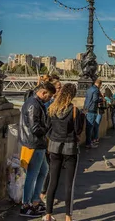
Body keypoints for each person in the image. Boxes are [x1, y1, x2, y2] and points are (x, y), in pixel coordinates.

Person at [43, 83, 84, 221]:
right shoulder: (74, 111)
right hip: (70, 148)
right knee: (69, 184)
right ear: (72, 95)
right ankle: (68, 216)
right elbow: (78, 129)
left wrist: (54, 138)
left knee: (53, 181)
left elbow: (47, 127)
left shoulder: (52, 108)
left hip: (54, 147)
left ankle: (48, 214)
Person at [19, 81, 56, 218]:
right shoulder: (34, 105)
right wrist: (48, 128)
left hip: (37, 143)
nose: (50, 99)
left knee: (43, 171)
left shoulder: (35, 103)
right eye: (50, 96)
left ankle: (35, 201)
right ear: (43, 92)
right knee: (32, 174)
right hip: (33, 143)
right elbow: (35, 128)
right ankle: (26, 205)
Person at [83, 78, 102, 150]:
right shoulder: (96, 90)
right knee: (90, 127)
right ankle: (88, 143)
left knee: (88, 127)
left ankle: (88, 143)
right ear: (100, 84)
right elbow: (95, 100)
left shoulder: (89, 89)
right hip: (92, 109)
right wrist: (101, 100)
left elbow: (86, 99)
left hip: (87, 109)